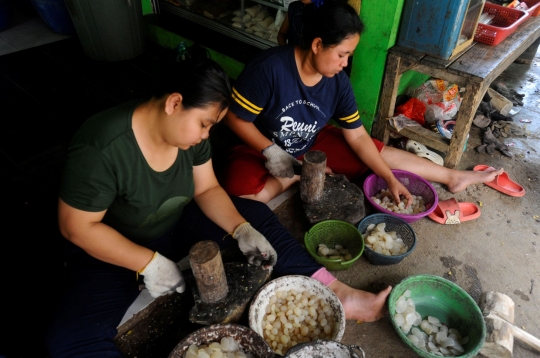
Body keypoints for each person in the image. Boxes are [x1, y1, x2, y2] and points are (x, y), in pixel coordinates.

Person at [45, 57, 390, 357]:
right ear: (174, 103)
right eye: (205, 123)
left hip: (177, 223)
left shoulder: (189, 136)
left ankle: (336, 293)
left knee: (253, 215)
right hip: (114, 247)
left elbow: (207, 188)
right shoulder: (101, 146)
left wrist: (241, 230)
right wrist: (146, 263)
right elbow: (76, 227)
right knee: (70, 341)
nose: (206, 135)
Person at [220, 1, 504, 204]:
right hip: (260, 146)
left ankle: (451, 176)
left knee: (374, 154)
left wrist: (390, 179)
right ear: (318, 45)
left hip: (311, 145)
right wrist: (274, 154)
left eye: (349, 56)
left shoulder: (337, 82)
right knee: (239, 190)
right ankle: (295, 177)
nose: (345, 65)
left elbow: (356, 135)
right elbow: (235, 118)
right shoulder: (269, 69)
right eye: (341, 54)